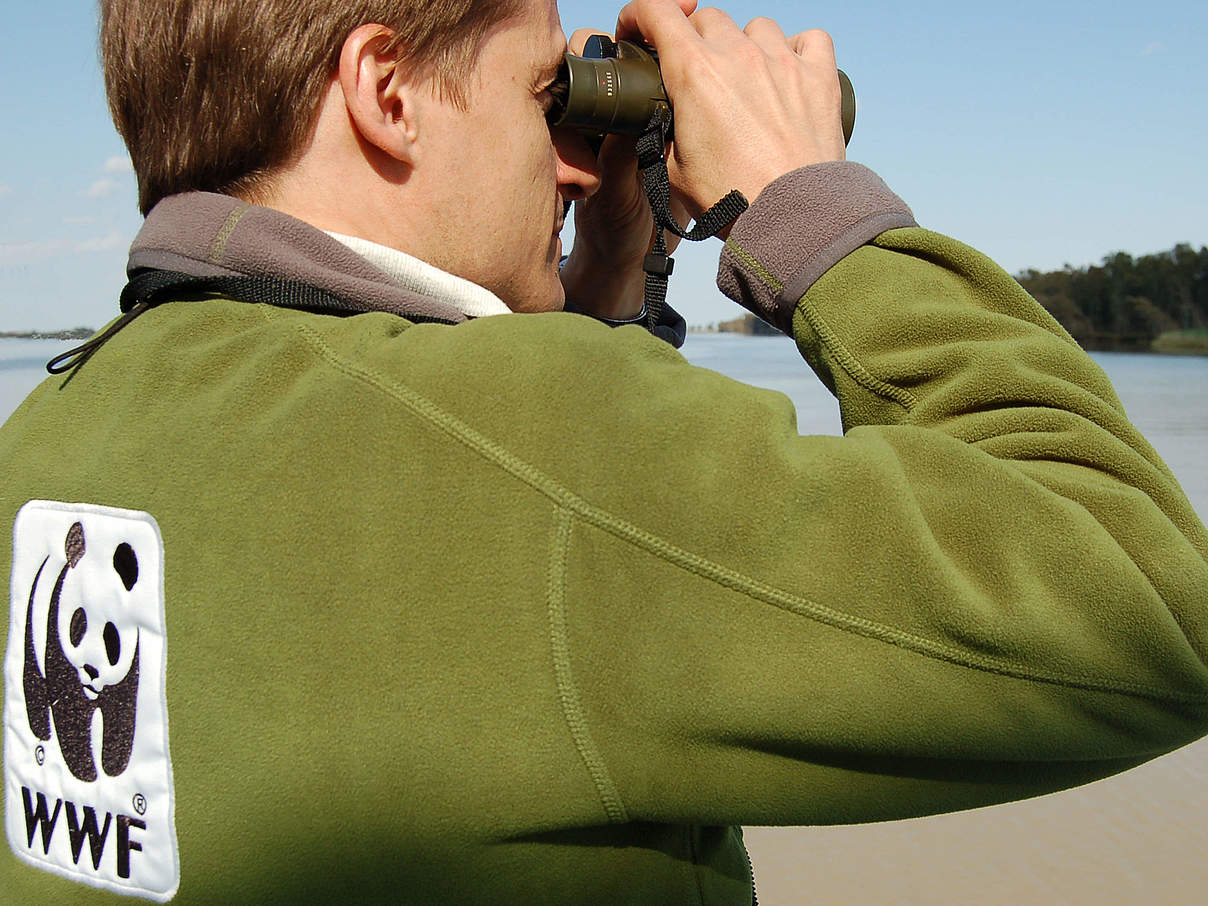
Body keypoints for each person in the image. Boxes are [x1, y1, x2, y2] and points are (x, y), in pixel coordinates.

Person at [3, 0, 1206, 902]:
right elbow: (1145, 597)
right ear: (387, 90)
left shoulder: (51, 436)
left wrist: (607, 285)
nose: (578, 160)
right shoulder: (532, 449)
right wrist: (806, 200)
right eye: (547, 98)